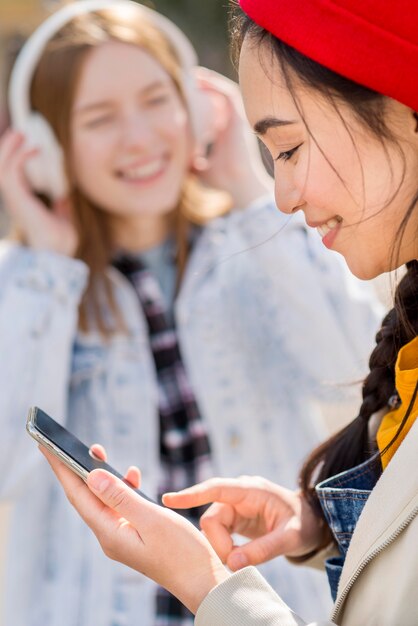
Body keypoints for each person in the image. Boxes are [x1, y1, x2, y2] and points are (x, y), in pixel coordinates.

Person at [0, 1, 384, 625]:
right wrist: (49, 266)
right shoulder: (25, 282)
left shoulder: (259, 238)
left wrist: (249, 190)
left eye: (157, 100)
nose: (141, 137)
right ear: (47, 147)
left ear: (198, 109)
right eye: (99, 118)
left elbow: (347, 362)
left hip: (267, 603)